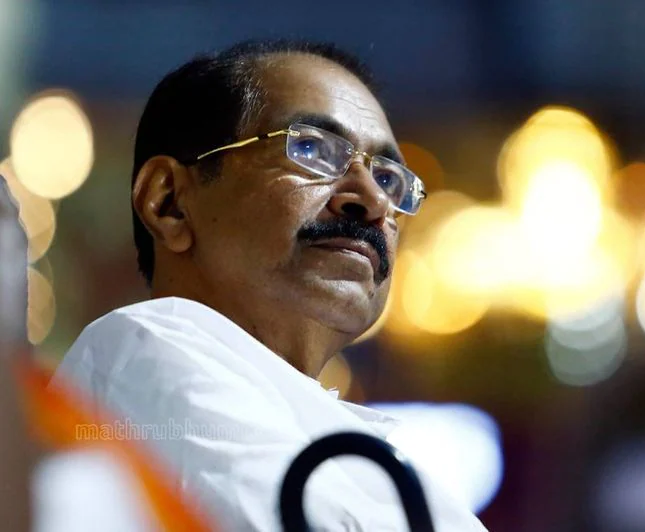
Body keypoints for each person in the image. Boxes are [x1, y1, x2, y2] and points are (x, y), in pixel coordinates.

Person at [50, 39, 487, 531]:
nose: (372, 200)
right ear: (169, 202)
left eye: (389, 180)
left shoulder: (309, 421)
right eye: (311, 149)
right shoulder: (143, 349)